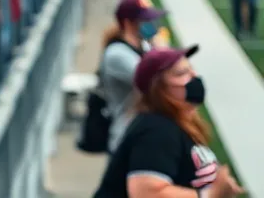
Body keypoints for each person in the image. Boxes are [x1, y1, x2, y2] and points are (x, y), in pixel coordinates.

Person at [94, 46, 242, 198]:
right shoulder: (155, 130)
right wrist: (210, 195)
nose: (194, 76)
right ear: (159, 88)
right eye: (182, 73)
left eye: (191, 69)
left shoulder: (175, 123)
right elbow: (146, 193)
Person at [99, 0, 162, 152]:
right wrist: (161, 50)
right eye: (145, 20)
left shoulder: (143, 45)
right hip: (126, 137)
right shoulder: (117, 54)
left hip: (142, 131)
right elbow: (157, 82)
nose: (151, 23)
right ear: (128, 23)